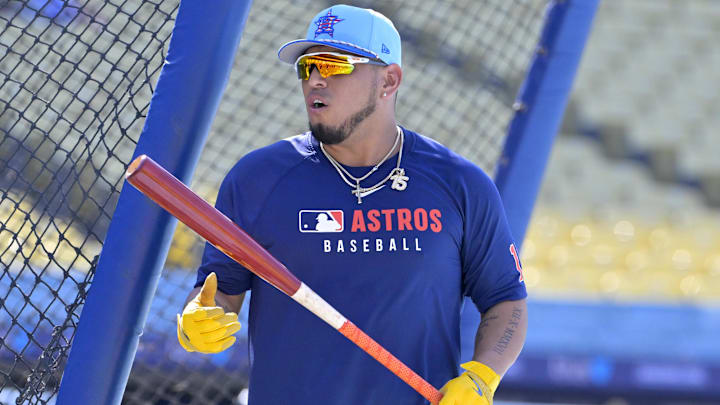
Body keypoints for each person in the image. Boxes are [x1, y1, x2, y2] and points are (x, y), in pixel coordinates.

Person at [176, 4, 527, 404]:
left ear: (389, 80)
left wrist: (483, 376)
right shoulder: (257, 179)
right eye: (306, 67)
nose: (315, 80)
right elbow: (218, 293)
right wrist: (195, 321)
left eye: (334, 64)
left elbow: (506, 301)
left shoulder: (460, 184)